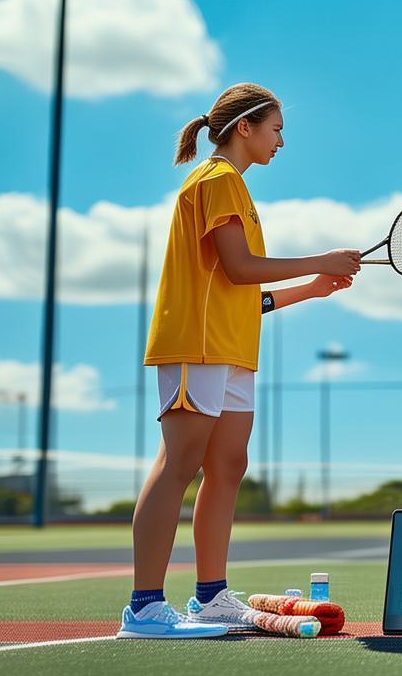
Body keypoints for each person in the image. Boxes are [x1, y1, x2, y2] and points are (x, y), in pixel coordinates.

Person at [117, 83, 361, 639]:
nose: (281, 141)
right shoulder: (218, 180)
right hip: (196, 344)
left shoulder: (236, 191)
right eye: (276, 129)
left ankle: (210, 598)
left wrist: (314, 287)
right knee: (179, 462)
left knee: (228, 467)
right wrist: (318, 257)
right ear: (245, 127)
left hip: (231, 348)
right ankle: (145, 606)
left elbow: (243, 293)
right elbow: (239, 267)